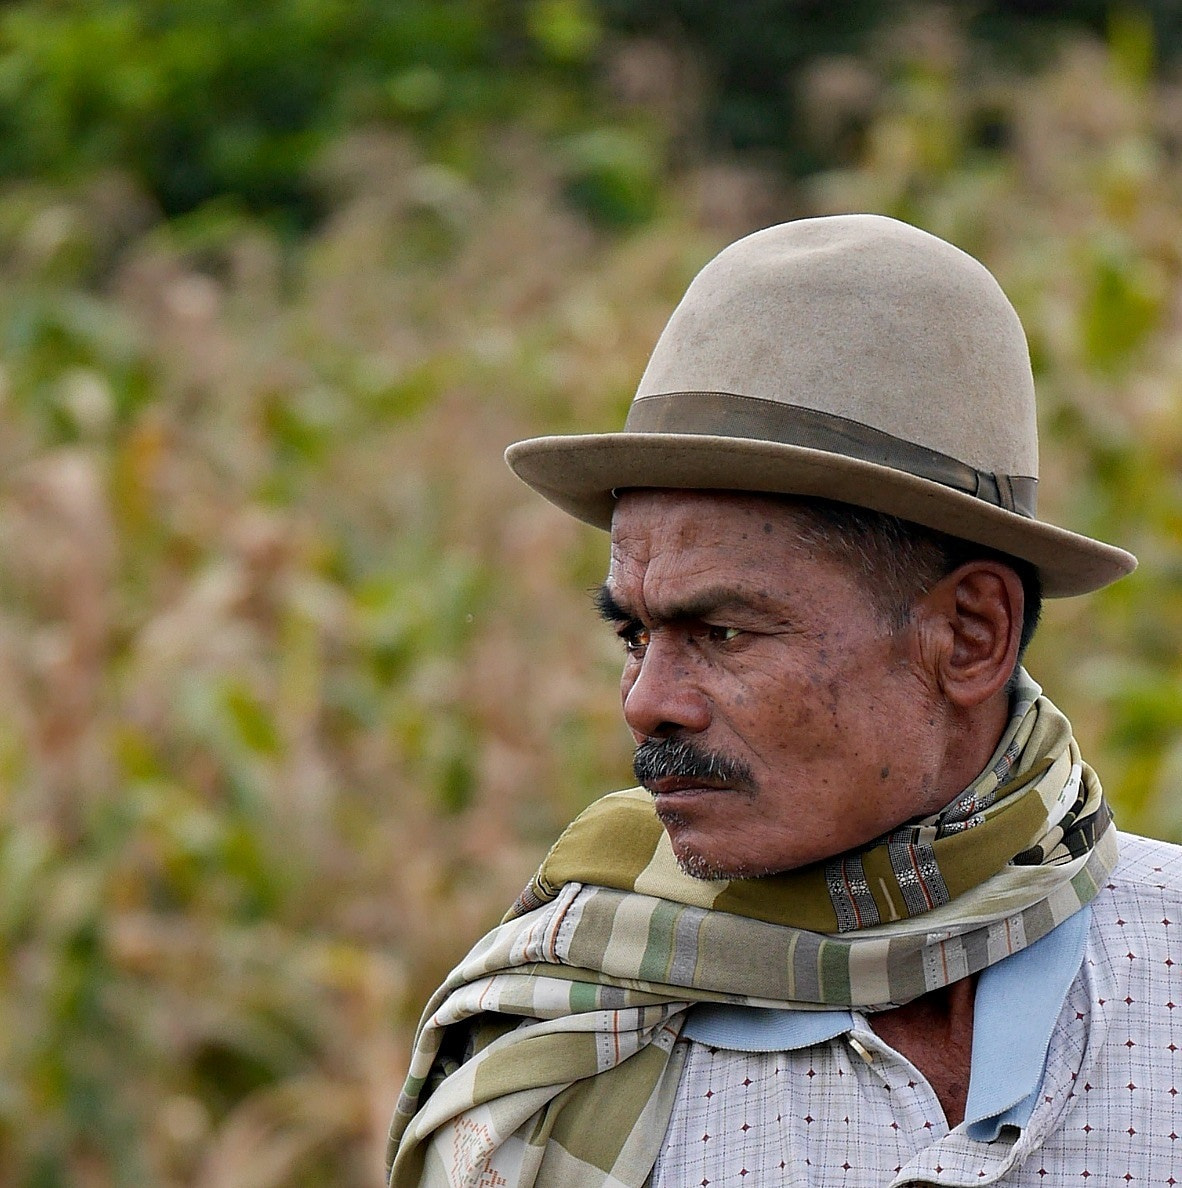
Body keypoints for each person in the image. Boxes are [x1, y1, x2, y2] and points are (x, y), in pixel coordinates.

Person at [386, 215, 1180, 1187]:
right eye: (634, 633)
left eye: (723, 634)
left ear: (969, 633)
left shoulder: (1165, 971)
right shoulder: (561, 1040)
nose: (647, 702)